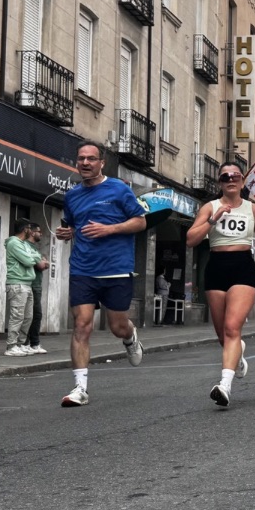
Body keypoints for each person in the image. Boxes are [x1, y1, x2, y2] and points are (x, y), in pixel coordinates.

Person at [54, 141, 147, 407]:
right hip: (83, 268)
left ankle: (130, 337)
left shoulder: (118, 189)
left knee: (117, 326)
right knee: (82, 325)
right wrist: (67, 232)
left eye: (91, 159)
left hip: (116, 269)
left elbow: (140, 221)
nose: (85, 163)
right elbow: (73, 225)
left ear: (101, 163)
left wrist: (109, 229)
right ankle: (80, 388)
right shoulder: (72, 196)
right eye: (81, 158)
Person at [188, 162, 255, 407]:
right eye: (225, 177)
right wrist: (213, 220)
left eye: (235, 176)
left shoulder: (253, 209)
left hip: (243, 266)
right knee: (223, 335)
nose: (230, 179)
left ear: (242, 182)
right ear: (220, 183)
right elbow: (191, 239)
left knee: (233, 328)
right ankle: (238, 354)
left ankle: (224, 385)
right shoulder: (209, 207)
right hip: (216, 267)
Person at [4, 218, 48, 357]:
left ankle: (20, 344)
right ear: (25, 229)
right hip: (17, 283)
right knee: (17, 316)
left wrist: (35, 256)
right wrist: (36, 257)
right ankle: (11, 346)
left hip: (27, 283)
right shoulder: (13, 243)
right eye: (30, 228)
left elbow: (35, 256)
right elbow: (29, 260)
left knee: (28, 317)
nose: (31, 230)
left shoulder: (23, 244)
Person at [24, 222, 49, 354]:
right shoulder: (27, 246)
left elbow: (45, 263)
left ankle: (31, 343)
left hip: (36, 284)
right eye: (39, 231)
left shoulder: (34, 247)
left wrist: (44, 262)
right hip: (32, 284)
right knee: (34, 314)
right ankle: (30, 343)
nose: (41, 234)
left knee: (34, 314)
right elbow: (40, 265)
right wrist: (42, 261)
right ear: (32, 232)